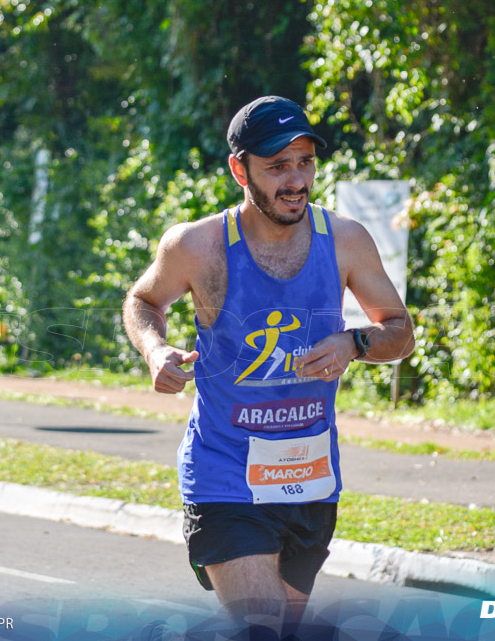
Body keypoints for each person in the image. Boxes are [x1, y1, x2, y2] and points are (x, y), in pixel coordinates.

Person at [123, 96, 415, 636]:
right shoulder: (198, 245)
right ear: (240, 169)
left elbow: (400, 331)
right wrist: (155, 350)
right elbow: (143, 301)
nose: (296, 180)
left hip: (309, 479)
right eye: (277, 166)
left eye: (304, 162)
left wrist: (355, 342)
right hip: (225, 475)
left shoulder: (345, 240)